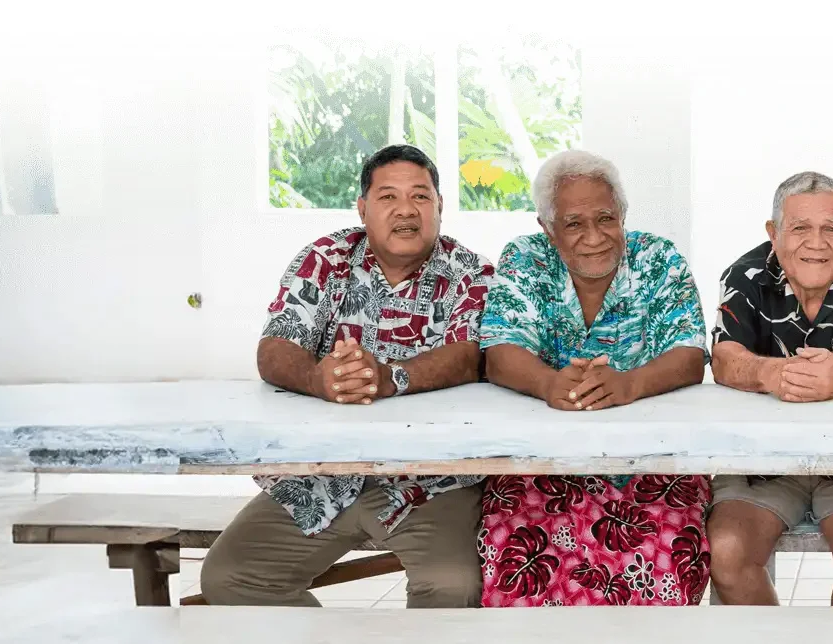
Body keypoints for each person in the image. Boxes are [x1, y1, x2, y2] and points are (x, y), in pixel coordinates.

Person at [202, 144, 494, 608]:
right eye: (387, 197)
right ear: (362, 208)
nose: (405, 210)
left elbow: (468, 356)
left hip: (428, 480)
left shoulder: (470, 273)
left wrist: (390, 377)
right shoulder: (325, 259)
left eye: (420, 196)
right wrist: (318, 378)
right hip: (323, 471)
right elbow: (275, 348)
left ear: (440, 207)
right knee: (231, 577)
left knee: (452, 587)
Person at [476, 150, 712, 607]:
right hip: (539, 464)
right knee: (516, 555)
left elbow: (689, 354)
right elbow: (500, 354)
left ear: (623, 215)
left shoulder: (657, 259)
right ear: (547, 228)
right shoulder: (524, 259)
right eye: (573, 224)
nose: (594, 237)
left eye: (606, 218)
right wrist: (548, 384)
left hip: (653, 463)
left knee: (661, 555)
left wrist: (629, 384)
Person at [706, 171, 833, 606]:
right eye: (799, 228)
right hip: (764, 458)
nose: (817, 242)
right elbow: (723, 358)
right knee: (728, 550)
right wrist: (772, 374)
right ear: (773, 233)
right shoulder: (745, 273)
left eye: (830, 228)